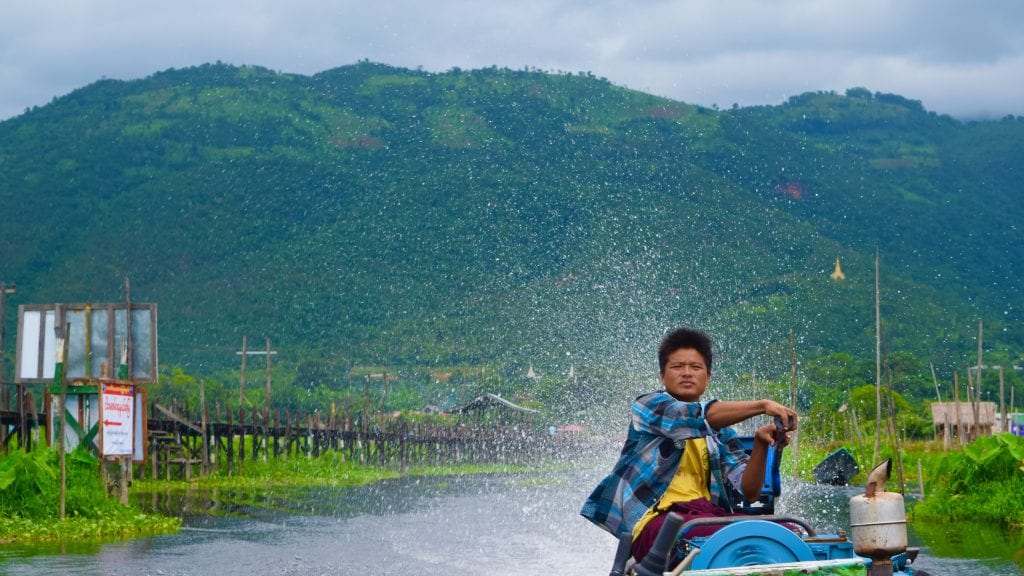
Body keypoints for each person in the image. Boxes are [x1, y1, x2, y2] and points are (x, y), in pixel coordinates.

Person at [580, 327, 798, 566]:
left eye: (695, 367)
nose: (687, 373)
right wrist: (762, 405)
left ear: (708, 375)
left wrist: (760, 444)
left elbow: (750, 491)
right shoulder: (648, 406)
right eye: (677, 367)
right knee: (702, 538)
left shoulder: (721, 432)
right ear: (662, 375)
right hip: (655, 521)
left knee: (788, 532)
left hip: (706, 518)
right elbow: (685, 418)